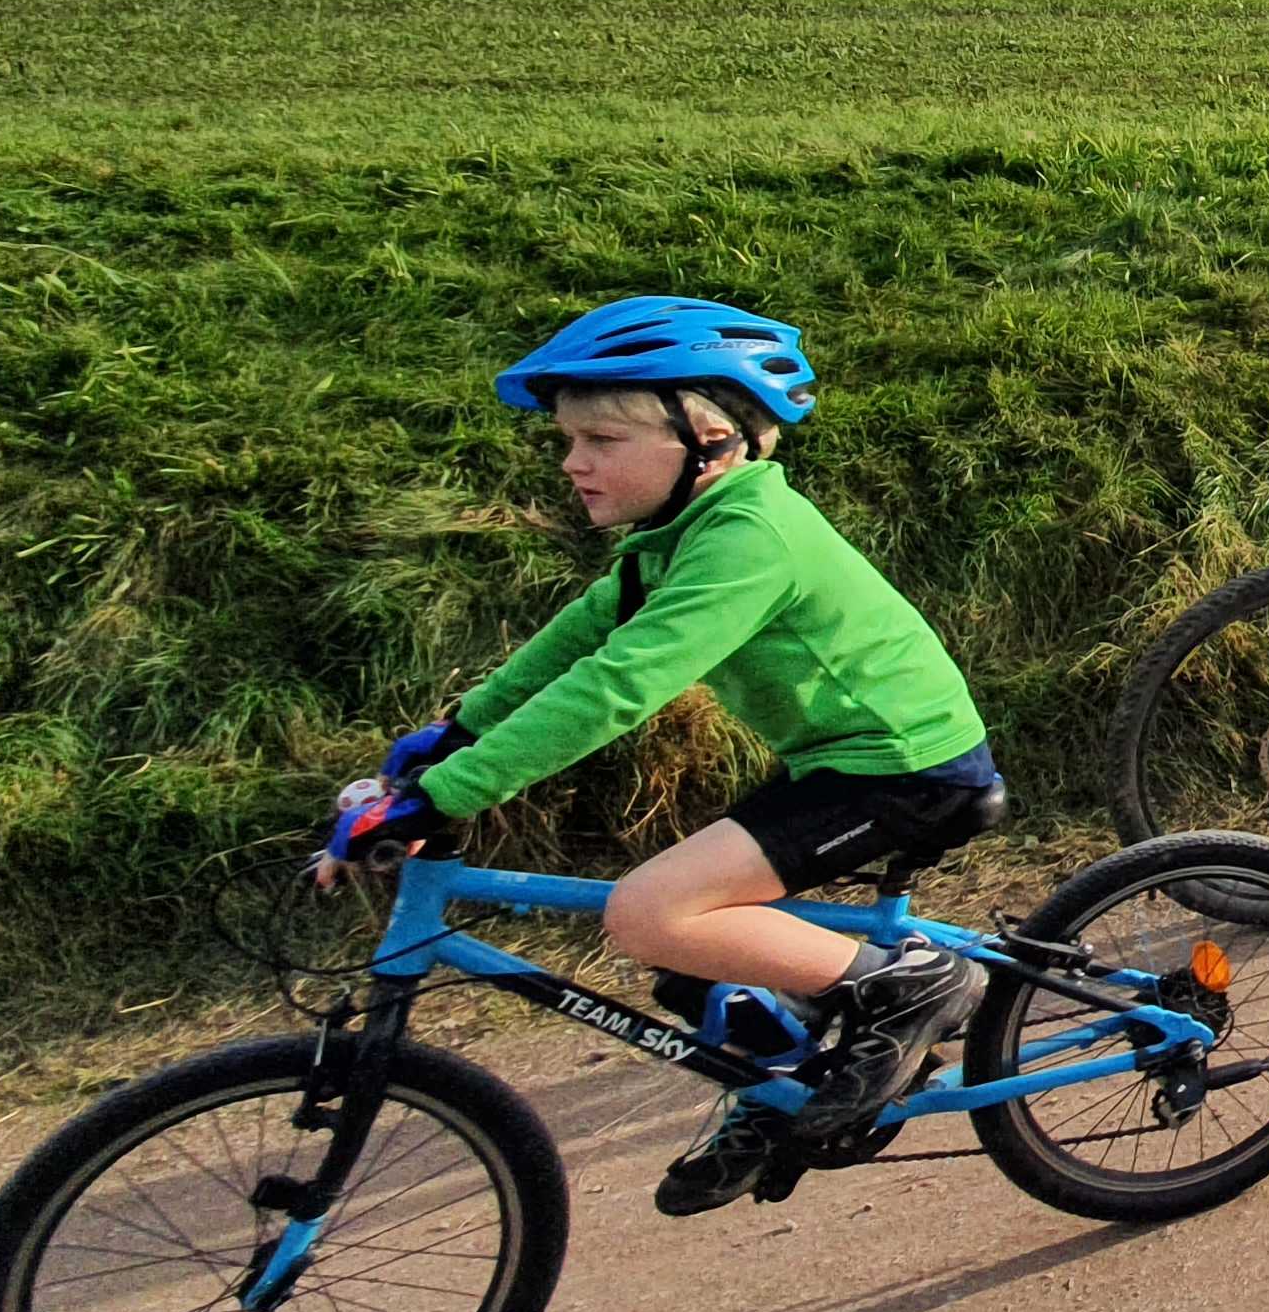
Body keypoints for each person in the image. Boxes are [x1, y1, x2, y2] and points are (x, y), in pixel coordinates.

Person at [315, 296, 1001, 1218]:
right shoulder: (679, 535)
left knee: (650, 912)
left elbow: (619, 686)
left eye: (601, 437)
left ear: (709, 440)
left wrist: (445, 795)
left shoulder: (752, 541)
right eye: (568, 438)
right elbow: (577, 642)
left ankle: (914, 981)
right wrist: (457, 733)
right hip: (837, 762)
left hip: (906, 769)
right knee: (695, 954)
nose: (573, 461)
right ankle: (786, 1091)